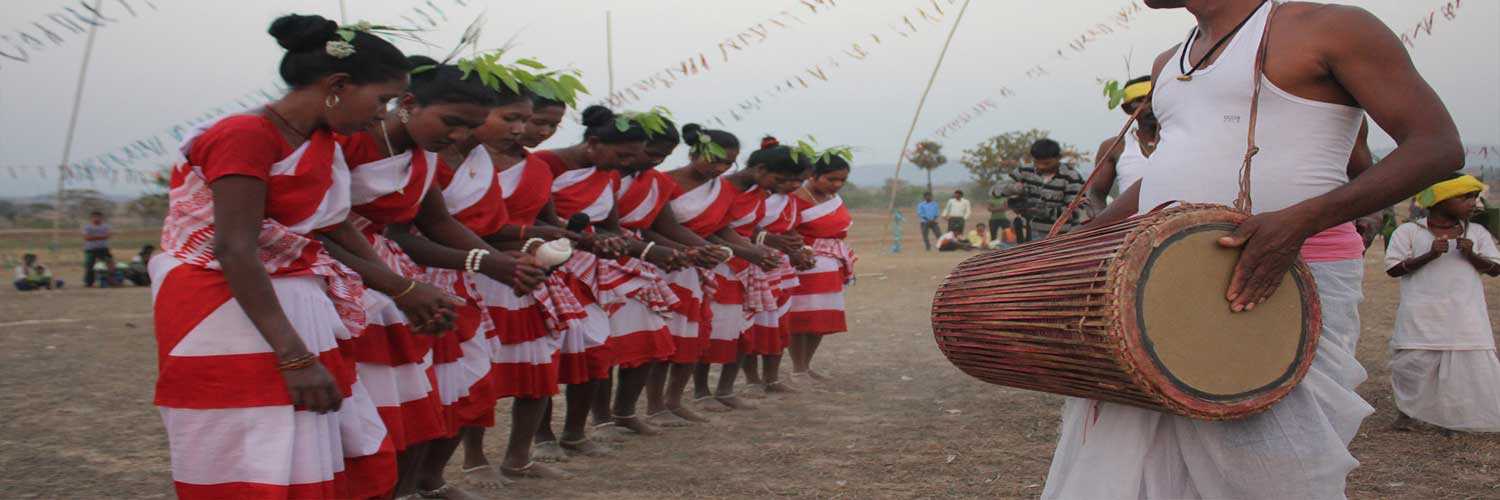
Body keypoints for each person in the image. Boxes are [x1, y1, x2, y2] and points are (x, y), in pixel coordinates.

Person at [1047, 0, 1463, 497]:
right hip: (1165, 278)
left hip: (1290, 275)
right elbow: (1170, 167)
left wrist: (1299, 222)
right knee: (1152, 460)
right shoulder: (1168, 62)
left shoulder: (1331, 29)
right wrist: (1088, 237)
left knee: (1270, 463)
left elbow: (1436, 145)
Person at [149, 14, 410, 499]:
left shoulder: (322, 141)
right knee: (253, 447)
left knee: (319, 444)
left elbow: (327, 227)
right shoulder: (245, 135)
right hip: (224, 310)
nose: (383, 114)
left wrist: (403, 288)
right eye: (382, 100)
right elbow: (234, 247)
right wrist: (295, 359)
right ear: (337, 84)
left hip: (285, 310)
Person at [1385, 175, 1500, 433]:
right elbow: (1393, 269)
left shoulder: (1477, 233)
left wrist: (1472, 255)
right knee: (1412, 366)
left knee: (1466, 369)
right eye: (1465, 197)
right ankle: (1408, 415)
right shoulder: (1410, 231)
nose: (1472, 203)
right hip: (1421, 313)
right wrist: (1429, 255)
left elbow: (1495, 269)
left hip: (1465, 315)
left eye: (1474, 197)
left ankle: (1455, 419)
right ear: (1440, 200)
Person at [788, 151, 857, 382]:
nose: (837, 185)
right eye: (831, 179)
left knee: (822, 318)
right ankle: (797, 367)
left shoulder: (833, 199)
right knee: (802, 316)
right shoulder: (795, 198)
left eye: (842, 181)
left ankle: (807, 365)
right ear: (813, 175)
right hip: (804, 264)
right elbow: (786, 230)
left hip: (831, 265)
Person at [1088, 75, 1159, 212]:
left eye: (1153, 99)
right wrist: (1105, 228)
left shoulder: (1185, 140)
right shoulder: (1114, 147)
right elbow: (1096, 195)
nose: (1150, 106)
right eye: (1140, 101)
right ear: (1127, 109)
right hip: (1131, 230)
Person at [1004, 139, 1085, 242]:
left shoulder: (1072, 177)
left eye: (1047, 163)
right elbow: (998, 189)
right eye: (1037, 162)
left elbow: (1074, 211)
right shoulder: (1025, 171)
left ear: (1058, 158)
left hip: (1062, 236)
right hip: (1029, 234)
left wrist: (1042, 211)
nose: (1041, 166)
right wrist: (1013, 193)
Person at [80, 210, 114, 287]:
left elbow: (108, 235)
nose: (96, 219)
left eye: (98, 217)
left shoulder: (106, 226)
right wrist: (102, 236)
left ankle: (111, 280)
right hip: (91, 250)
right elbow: (87, 237)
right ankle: (89, 282)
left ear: (101, 218)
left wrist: (93, 236)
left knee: (110, 264)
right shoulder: (87, 227)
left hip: (104, 249)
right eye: (94, 217)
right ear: (91, 218)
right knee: (89, 265)